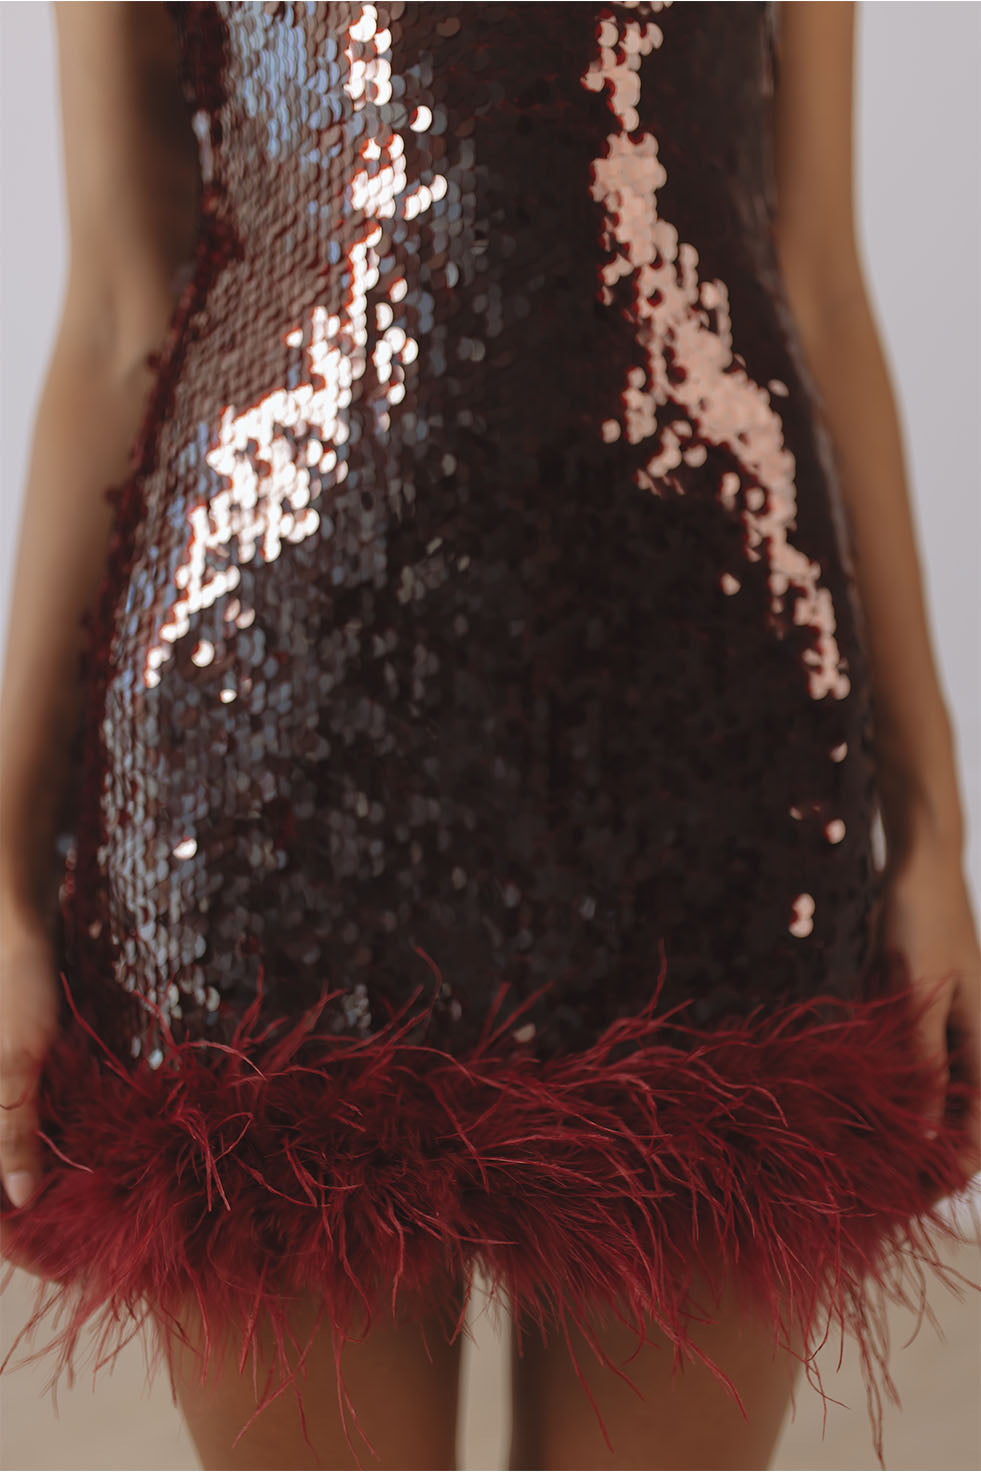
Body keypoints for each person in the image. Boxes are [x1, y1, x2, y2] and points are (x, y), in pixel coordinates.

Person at [1, 3, 978, 1469]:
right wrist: (6, 885)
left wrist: (933, 839)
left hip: (717, 756)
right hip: (258, 770)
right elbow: (111, 319)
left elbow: (819, 283)